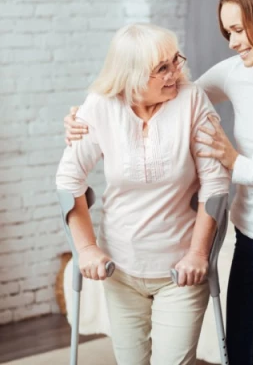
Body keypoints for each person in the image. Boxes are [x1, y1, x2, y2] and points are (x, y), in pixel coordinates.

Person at [63, 0, 253, 365]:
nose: (233, 42)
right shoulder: (236, 72)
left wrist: (236, 164)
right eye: (228, 32)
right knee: (241, 356)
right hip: (249, 240)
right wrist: (85, 118)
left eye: (239, 30)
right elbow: (172, 95)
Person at [56, 23, 230, 365]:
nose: (175, 74)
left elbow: (215, 184)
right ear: (131, 76)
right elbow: (68, 180)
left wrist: (198, 254)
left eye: (174, 61)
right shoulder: (100, 107)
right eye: (161, 69)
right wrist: (87, 248)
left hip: (180, 270)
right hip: (119, 268)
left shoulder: (192, 100)